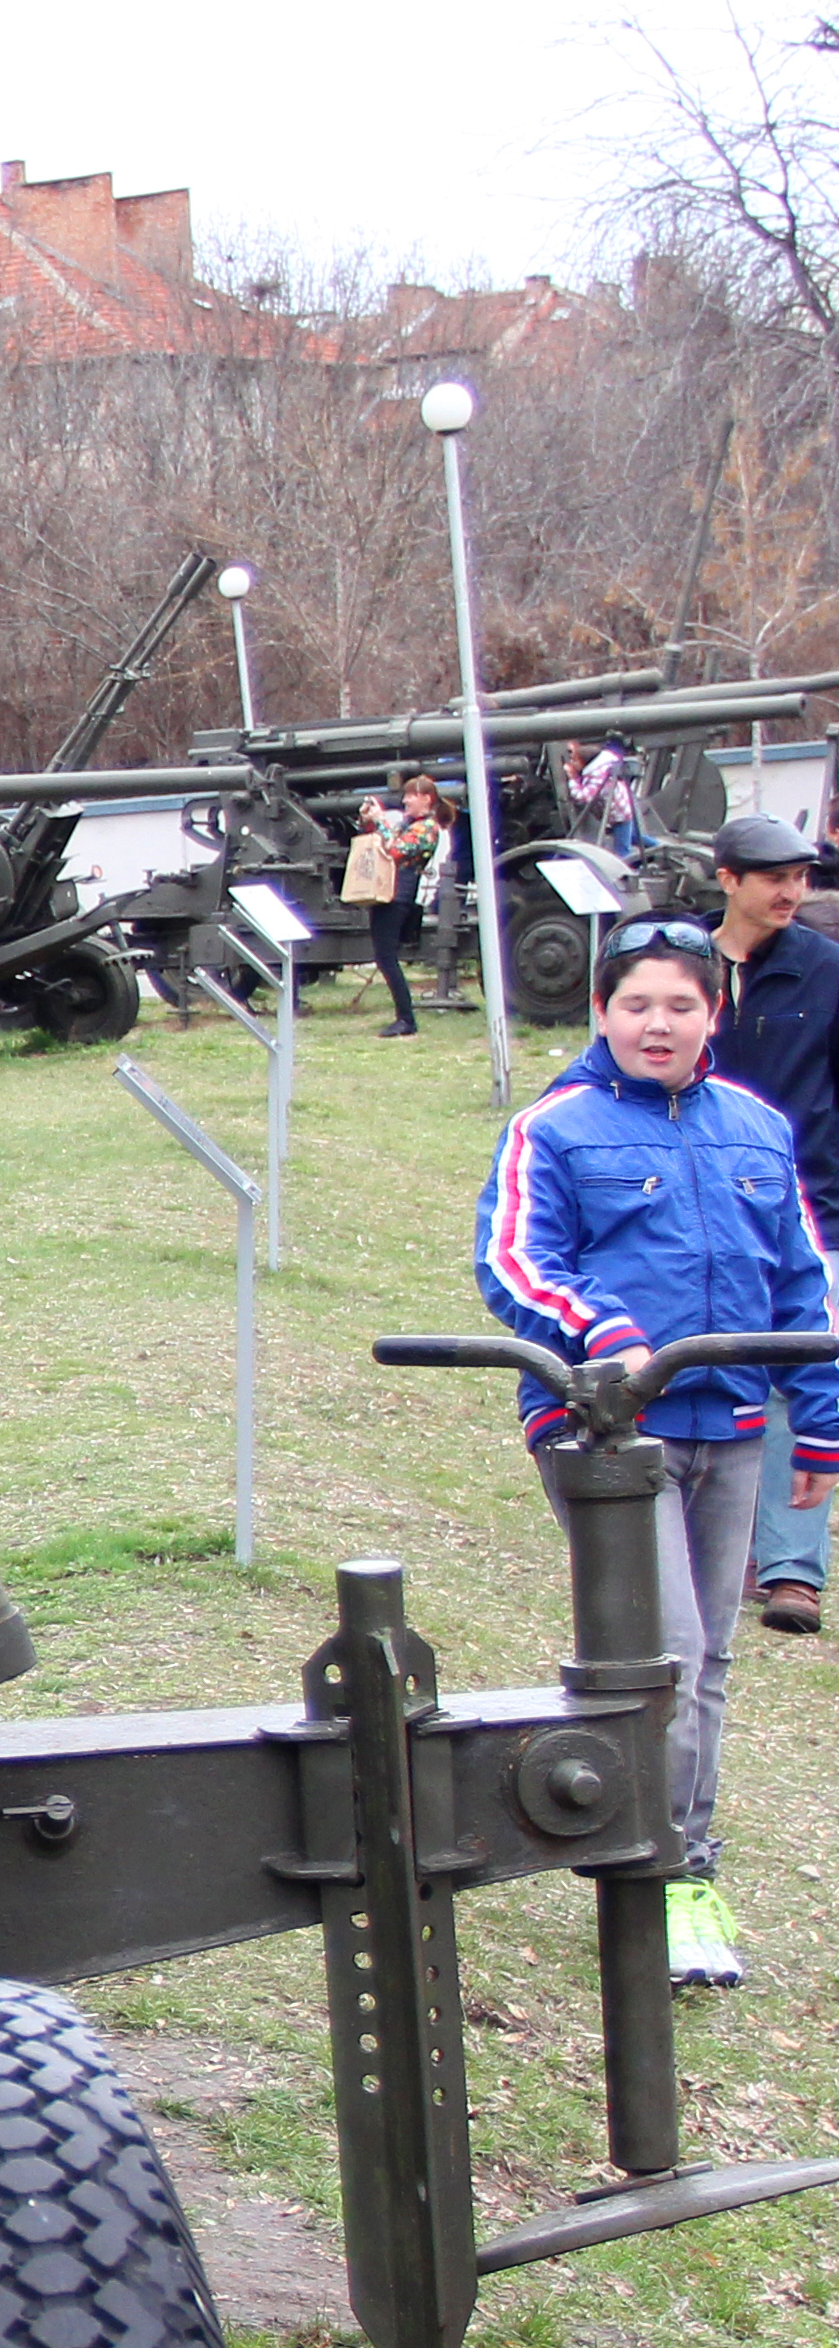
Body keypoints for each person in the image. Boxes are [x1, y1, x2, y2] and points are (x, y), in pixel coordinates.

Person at [476, 921, 839, 1984]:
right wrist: (602, 1333)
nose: (657, 1024)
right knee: (666, 1653)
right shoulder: (558, 1127)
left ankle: (675, 1858)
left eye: (680, 1005)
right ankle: (659, 1871)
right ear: (601, 1012)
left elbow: (802, 1282)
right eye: (636, 1004)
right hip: (607, 1431)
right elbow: (513, 1262)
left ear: (711, 1015)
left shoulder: (755, 1129)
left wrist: (818, 1416)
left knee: (709, 1661)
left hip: (731, 1430)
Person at [710, 809, 839, 1630]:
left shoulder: (825, 969)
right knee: (721, 1368)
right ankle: (733, 1543)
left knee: (805, 1369)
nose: (792, 891)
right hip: (701, 1198)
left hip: (810, 1199)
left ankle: (794, 1568)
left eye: (801, 877)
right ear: (729, 880)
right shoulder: (676, 961)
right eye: (773, 877)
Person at [347, 773, 443, 1036]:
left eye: (411, 795)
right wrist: (370, 822)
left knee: (387, 957)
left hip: (398, 896)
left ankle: (406, 1019)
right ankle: (404, 1017)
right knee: (385, 956)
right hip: (388, 893)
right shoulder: (410, 824)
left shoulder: (427, 828)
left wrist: (381, 821)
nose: (406, 800)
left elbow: (394, 850)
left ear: (426, 798)